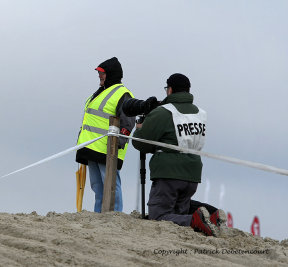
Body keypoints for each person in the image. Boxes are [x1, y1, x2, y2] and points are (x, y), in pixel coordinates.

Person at [132, 73, 225, 236]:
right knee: (178, 211)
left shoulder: (163, 112)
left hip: (168, 173)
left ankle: (195, 220)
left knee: (158, 215)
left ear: (170, 90)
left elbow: (140, 143)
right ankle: (212, 215)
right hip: (193, 173)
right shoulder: (200, 113)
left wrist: (139, 128)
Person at [76, 57, 135, 213]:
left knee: (111, 185)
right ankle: (99, 216)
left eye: (102, 73)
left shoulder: (123, 93)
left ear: (111, 74)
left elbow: (128, 122)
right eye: (99, 73)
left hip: (108, 150)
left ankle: (115, 215)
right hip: (92, 147)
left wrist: (118, 143)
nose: (99, 76)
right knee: (97, 186)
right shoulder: (100, 92)